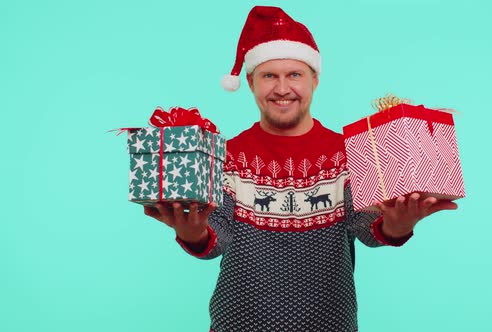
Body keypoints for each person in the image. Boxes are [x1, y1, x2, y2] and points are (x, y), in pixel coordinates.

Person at [144, 6, 457, 332]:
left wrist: (395, 224)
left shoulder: (349, 153)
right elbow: (219, 235)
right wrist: (193, 232)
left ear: (315, 79)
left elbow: (365, 226)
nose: (282, 89)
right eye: (269, 76)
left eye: (294, 74)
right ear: (251, 82)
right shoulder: (227, 155)